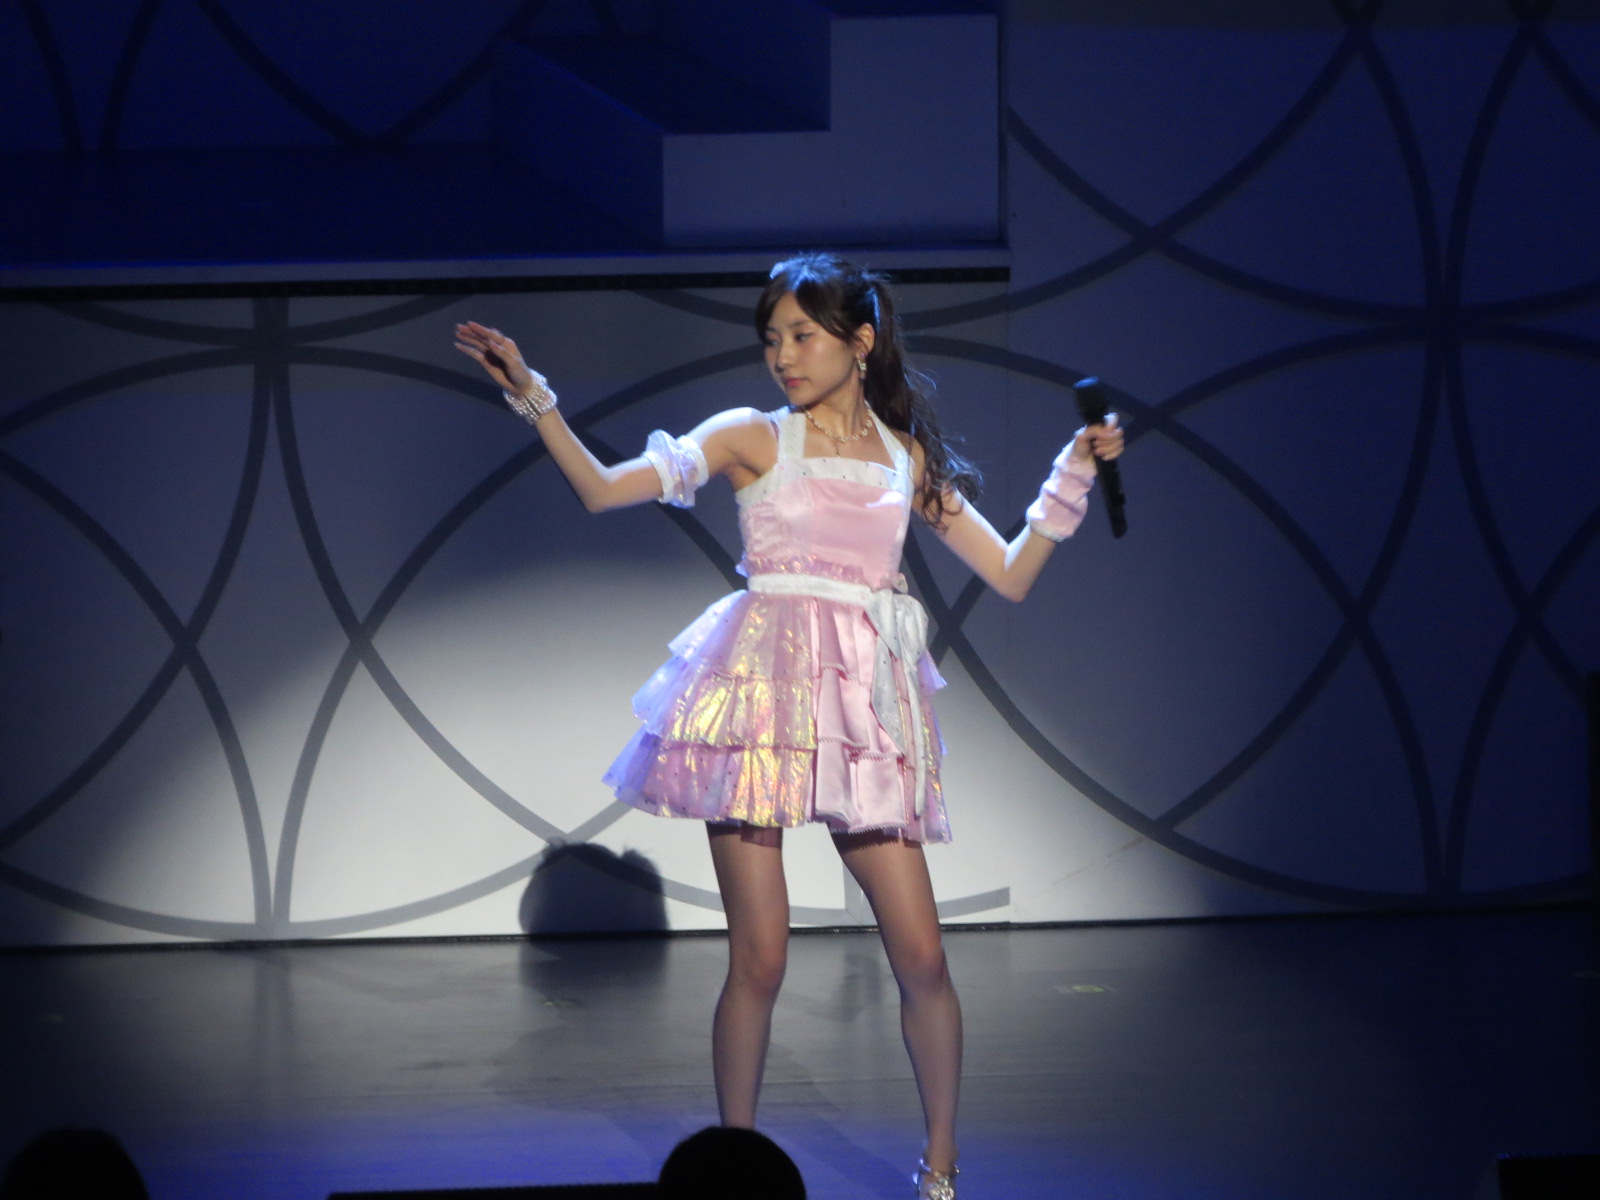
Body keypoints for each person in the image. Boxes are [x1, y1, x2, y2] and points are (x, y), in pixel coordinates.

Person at [455, 252, 1123, 1200]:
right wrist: (535, 397)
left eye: (804, 335)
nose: (784, 356)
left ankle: (940, 1172)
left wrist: (1072, 472)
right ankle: (734, 1174)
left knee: (922, 957)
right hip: (761, 702)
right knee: (760, 959)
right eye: (772, 339)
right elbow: (605, 488)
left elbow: (1009, 572)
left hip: (861, 714)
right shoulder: (752, 435)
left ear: (861, 341)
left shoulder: (904, 458)